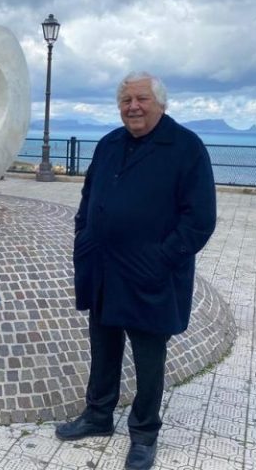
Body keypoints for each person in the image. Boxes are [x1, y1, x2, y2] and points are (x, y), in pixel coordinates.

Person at [55, 72, 216, 470]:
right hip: (104, 268)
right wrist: (84, 236)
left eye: (141, 98)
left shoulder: (185, 148)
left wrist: (161, 260)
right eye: (126, 100)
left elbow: (199, 219)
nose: (133, 107)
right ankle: (98, 415)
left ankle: (144, 433)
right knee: (103, 346)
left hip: (150, 275)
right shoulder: (110, 143)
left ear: (160, 102)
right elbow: (89, 195)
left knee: (148, 358)